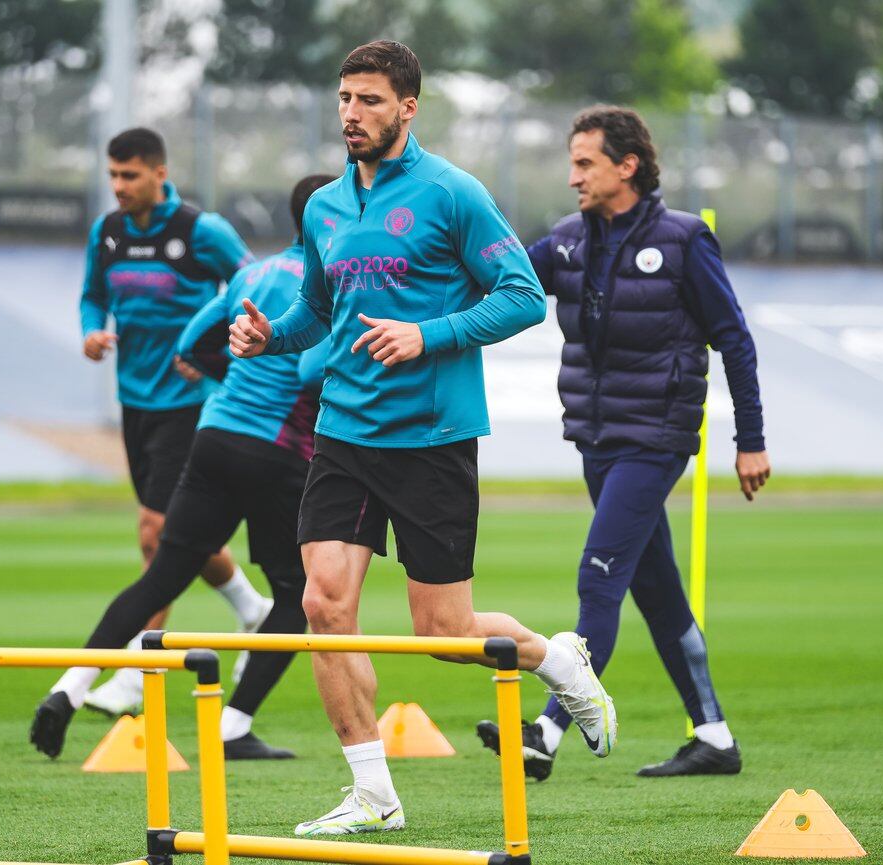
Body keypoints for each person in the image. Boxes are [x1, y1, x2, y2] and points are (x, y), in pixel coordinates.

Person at [228, 40, 617, 838]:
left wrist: (425, 334)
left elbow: (520, 297)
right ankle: (373, 791)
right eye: (343, 99)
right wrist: (270, 337)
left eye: (369, 100)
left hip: (432, 438)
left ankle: (557, 659)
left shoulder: (453, 193)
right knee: (322, 602)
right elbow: (315, 314)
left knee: (442, 634)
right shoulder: (324, 207)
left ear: (408, 108)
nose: (351, 114)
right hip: (343, 432)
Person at [476, 105, 770, 780]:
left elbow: (735, 339)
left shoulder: (684, 240)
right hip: (596, 438)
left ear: (626, 165)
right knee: (657, 589)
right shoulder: (565, 242)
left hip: (656, 436)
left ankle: (546, 733)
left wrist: (749, 439)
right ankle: (715, 735)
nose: (572, 175)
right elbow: (502, 285)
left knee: (598, 574)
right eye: (572, 162)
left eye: (586, 162)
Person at [31, 174, 335, 761]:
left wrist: (233, 385)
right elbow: (308, 375)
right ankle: (232, 729)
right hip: (279, 453)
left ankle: (66, 690)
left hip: (214, 436)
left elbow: (193, 345)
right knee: (297, 596)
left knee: (161, 576)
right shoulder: (332, 288)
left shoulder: (252, 275)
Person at [77, 127, 272, 715]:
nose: (119, 186)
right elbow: (92, 295)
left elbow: (255, 286)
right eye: (112, 175)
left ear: (159, 173)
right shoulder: (107, 233)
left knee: (153, 533)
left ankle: (137, 674)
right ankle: (254, 611)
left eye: (129, 175)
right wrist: (90, 329)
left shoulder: (200, 231)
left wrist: (213, 350)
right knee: (182, 534)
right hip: (135, 404)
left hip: (192, 404)